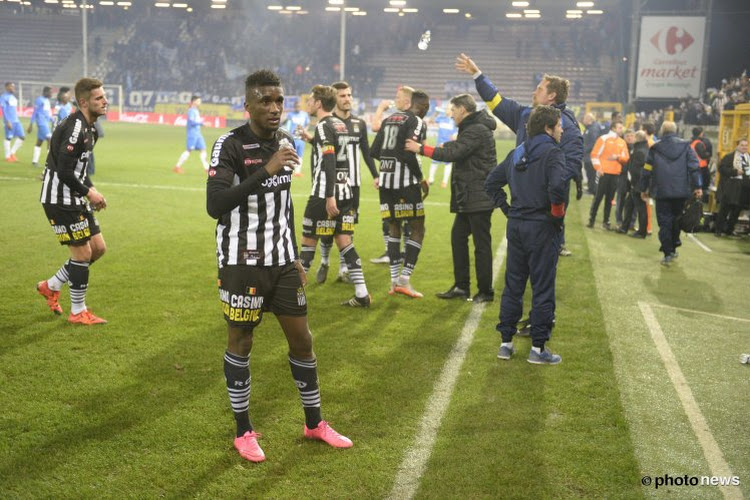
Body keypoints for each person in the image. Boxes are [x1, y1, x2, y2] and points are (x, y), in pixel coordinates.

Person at [205, 70, 352, 463]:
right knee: (242, 341)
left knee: (302, 339)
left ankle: (314, 422)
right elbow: (215, 205)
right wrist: (264, 170)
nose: (274, 108)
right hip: (241, 261)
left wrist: (293, 257)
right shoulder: (230, 145)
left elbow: (283, 207)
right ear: (248, 105)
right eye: (265, 101)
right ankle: (243, 431)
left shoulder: (287, 142)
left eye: (279, 101)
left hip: (281, 262)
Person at [456, 53, 583, 257]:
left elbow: (572, 165)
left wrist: (545, 189)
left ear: (551, 96)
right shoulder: (526, 115)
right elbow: (496, 101)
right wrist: (477, 75)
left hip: (543, 210)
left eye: (539, 89)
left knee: (542, 268)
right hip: (520, 207)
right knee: (518, 269)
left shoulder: (567, 126)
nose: (535, 91)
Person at [484, 105, 566, 365]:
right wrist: (556, 216)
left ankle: (505, 343)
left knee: (514, 285)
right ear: (548, 128)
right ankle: (538, 349)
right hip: (541, 226)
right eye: (559, 125)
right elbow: (558, 188)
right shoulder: (553, 153)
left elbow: (491, 183)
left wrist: (508, 209)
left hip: (517, 226)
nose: (562, 130)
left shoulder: (517, 151)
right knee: (542, 287)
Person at [405, 94, 496, 303]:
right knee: (458, 238)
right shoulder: (474, 128)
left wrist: (420, 149)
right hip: (469, 195)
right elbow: (458, 149)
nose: (451, 114)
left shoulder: (476, 129)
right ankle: (462, 287)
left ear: (463, 110)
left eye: (453, 110)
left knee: (481, 244)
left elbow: (455, 152)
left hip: (478, 195)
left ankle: (485, 291)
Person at [37, 77, 109, 325]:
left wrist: (92, 188)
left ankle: (52, 285)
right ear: (84, 102)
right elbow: (65, 172)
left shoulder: (90, 129)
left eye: (104, 96)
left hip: (75, 196)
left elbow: (79, 170)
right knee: (82, 254)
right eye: (99, 98)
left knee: (98, 249)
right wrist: (89, 193)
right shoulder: (75, 128)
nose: (105, 101)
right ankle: (78, 311)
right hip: (59, 199)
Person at [298, 85, 371, 307]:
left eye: (311, 100)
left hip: (325, 194)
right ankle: (361, 293)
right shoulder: (340, 125)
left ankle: (291, 296)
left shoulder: (323, 126)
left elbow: (329, 160)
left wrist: (329, 195)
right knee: (345, 242)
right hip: (346, 190)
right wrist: (311, 140)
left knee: (308, 243)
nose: (309, 103)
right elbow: (340, 155)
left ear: (319, 103)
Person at [316, 81, 379, 285]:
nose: (347, 99)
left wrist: (376, 175)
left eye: (350, 95)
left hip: (354, 185)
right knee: (327, 228)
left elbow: (366, 152)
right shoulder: (328, 123)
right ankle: (325, 261)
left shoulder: (359, 124)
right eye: (343, 96)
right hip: (333, 184)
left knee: (347, 228)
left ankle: (344, 268)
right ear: (334, 99)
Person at [370, 89, 430, 298]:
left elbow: (374, 151)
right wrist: (421, 177)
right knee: (418, 228)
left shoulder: (388, 120)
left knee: (394, 227)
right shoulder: (417, 121)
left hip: (386, 183)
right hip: (405, 183)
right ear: (421, 106)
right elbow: (409, 152)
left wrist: (389, 163)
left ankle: (394, 281)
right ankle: (404, 279)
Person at [639, 121, 702, 266]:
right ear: (675, 130)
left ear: (662, 131)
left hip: (661, 191)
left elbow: (647, 169)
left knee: (665, 222)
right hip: (681, 192)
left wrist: (643, 188)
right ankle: (673, 247)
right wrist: (698, 186)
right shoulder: (686, 146)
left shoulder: (655, 148)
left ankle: (668, 252)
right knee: (677, 220)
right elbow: (694, 167)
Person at [369, 85, 414, 264]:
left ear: (407, 101)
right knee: (395, 215)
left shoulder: (406, 120)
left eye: (398, 97)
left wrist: (380, 108)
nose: (395, 99)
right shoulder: (404, 119)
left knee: (399, 215)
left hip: (402, 176)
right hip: (395, 174)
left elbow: (374, 128)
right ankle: (397, 252)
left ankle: (399, 253)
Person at [587, 121, 629, 230]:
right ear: (614, 128)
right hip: (603, 173)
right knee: (598, 197)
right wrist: (598, 168)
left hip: (615, 174)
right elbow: (594, 154)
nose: (622, 130)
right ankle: (591, 219)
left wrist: (617, 157)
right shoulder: (603, 138)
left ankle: (606, 221)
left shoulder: (622, 142)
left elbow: (626, 158)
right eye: (620, 127)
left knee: (610, 199)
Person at [714, 138, 749, 237]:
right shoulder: (729, 157)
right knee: (725, 209)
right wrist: (735, 172)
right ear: (737, 146)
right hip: (731, 186)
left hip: (744, 188)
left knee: (737, 210)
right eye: (742, 145)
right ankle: (719, 229)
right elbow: (721, 169)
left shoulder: (748, 158)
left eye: (746, 145)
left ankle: (729, 229)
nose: (744, 147)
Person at [618, 130, 649, 238]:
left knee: (640, 208)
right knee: (629, 205)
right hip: (638, 184)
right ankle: (624, 228)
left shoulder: (639, 151)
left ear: (638, 138)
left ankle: (641, 232)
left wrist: (634, 184)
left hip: (637, 184)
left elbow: (636, 170)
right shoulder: (643, 149)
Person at [173, 95, 209, 173]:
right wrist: (202, 123)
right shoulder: (191, 111)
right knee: (189, 150)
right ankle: (177, 167)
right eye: (199, 101)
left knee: (203, 149)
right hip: (192, 134)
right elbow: (192, 122)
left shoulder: (196, 110)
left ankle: (207, 168)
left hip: (198, 133)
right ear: (194, 101)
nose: (200, 102)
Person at [427, 107, 458, 188]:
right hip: (439, 144)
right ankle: (430, 179)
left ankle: (444, 182)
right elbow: (430, 121)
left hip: (448, 146)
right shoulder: (441, 118)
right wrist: (435, 113)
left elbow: (456, 132)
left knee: (448, 164)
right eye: (446, 109)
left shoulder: (454, 120)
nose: (446, 110)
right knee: (434, 162)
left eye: (448, 109)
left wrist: (455, 136)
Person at [27, 86, 53, 167]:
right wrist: (31, 124)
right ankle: (50, 162)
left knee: (39, 141)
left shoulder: (47, 101)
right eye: (50, 92)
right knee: (50, 139)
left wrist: (53, 120)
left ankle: (34, 161)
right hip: (41, 123)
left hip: (46, 123)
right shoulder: (39, 100)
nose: (51, 94)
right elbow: (35, 112)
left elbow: (47, 114)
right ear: (45, 92)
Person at [615, 129, 636, 227]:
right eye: (628, 135)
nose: (630, 137)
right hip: (622, 175)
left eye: (632, 135)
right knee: (620, 198)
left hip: (633, 177)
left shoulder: (637, 148)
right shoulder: (620, 147)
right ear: (624, 137)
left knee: (634, 200)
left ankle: (631, 222)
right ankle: (619, 220)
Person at [283, 99, 309, 177]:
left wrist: (304, 131)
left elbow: (307, 124)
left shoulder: (305, 114)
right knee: (290, 155)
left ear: (301, 107)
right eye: (297, 106)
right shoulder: (290, 115)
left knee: (300, 155)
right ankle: (288, 171)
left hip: (301, 139)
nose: (298, 107)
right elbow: (287, 125)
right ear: (294, 107)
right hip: (292, 138)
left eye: (299, 106)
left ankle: (297, 172)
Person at [1, 82, 25, 162]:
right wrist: (7, 121)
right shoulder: (3, 97)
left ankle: (12, 153)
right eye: (11, 86)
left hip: (16, 120)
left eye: (14, 86)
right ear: (7, 87)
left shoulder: (13, 97)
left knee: (22, 137)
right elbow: (4, 110)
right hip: (9, 121)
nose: (13, 88)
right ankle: (8, 157)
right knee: (9, 138)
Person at [582, 113, 603, 195]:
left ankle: (594, 190)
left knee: (592, 173)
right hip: (588, 155)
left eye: (585, 119)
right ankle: (590, 189)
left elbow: (594, 142)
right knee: (589, 172)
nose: (583, 120)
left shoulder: (593, 128)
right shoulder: (589, 128)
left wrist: (585, 150)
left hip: (591, 155)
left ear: (589, 119)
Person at [690, 126, 712, 195]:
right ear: (701, 133)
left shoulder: (691, 142)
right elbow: (703, 155)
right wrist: (708, 154)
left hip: (693, 165)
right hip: (701, 167)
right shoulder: (699, 143)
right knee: (703, 184)